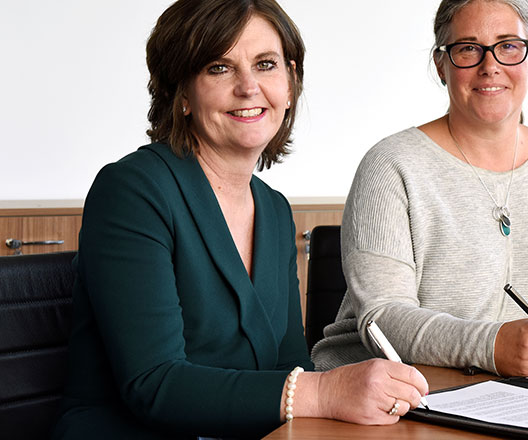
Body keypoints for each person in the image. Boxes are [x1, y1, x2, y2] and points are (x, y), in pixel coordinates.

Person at [51, 1, 427, 438]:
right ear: (182, 94)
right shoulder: (133, 190)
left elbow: (289, 365)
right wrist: (323, 393)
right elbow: (154, 384)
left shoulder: (273, 209)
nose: (249, 87)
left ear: (289, 83)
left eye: (265, 64)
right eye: (219, 68)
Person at [312, 0, 528, 378]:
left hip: (523, 398)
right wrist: (493, 346)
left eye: (509, 46)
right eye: (468, 48)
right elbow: (384, 319)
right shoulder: (391, 165)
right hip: (388, 397)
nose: (490, 65)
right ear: (441, 65)